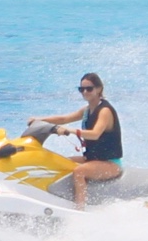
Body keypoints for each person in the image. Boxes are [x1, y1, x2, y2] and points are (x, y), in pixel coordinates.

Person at [31, 73, 122, 209]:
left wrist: (70, 131)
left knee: (79, 171)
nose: (85, 92)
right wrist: (40, 120)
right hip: (92, 159)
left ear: (99, 89)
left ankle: (80, 209)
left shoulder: (105, 111)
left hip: (110, 163)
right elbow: (64, 119)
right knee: (60, 162)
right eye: (81, 89)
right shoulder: (87, 110)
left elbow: (95, 134)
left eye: (89, 89)